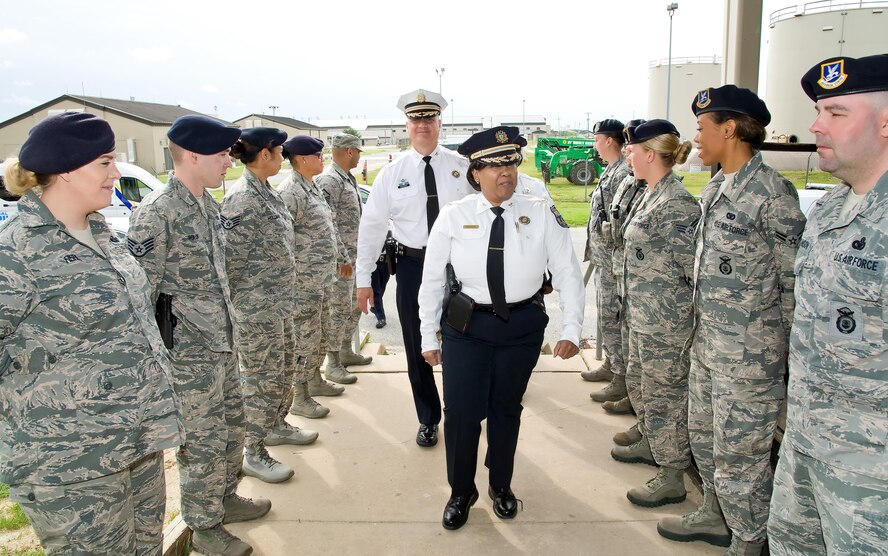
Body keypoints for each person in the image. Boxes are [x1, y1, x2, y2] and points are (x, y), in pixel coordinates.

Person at [0, 113, 182, 555]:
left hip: (136, 443)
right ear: (65, 169)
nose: (115, 173)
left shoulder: (101, 232)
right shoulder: (17, 252)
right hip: (72, 464)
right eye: (104, 163)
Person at [658, 86, 806, 555]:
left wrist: (784, 359)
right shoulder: (718, 186)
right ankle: (716, 515)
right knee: (704, 443)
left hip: (749, 362)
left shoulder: (772, 194)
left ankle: (748, 539)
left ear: (729, 128)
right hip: (707, 350)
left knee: (741, 461)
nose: (696, 137)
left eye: (702, 128)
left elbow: (793, 284)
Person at [418, 126, 584, 530]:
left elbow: (566, 270)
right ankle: (461, 490)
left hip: (521, 326)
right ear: (475, 173)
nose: (504, 172)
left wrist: (572, 328)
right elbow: (432, 279)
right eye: (493, 165)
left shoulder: (541, 211)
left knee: (505, 410)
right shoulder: (454, 217)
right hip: (468, 325)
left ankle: (501, 485)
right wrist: (426, 334)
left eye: (510, 161)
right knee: (460, 413)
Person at [767, 54, 888, 556]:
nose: (816, 125)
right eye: (820, 111)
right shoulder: (829, 211)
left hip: (870, 484)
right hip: (804, 450)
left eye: (836, 113)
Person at [127, 114, 264, 556]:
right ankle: (204, 528)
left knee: (231, 430)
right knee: (201, 443)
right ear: (191, 155)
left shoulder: (208, 205)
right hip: (186, 357)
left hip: (222, 345)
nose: (229, 162)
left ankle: (224, 499)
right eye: (222, 155)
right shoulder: (157, 214)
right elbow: (140, 296)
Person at [355, 89, 473, 448]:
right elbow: (373, 226)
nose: (423, 125)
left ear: (439, 123)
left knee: (460, 341)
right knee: (414, 345)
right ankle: (428, 417)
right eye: (416, 119)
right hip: (412, 267)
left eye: (429, 118)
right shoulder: (392, 173)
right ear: (407, 126)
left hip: (459, 270)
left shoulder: (462, 166)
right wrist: (364, 280)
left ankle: (459, 413)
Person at [220, 127, 318, 486]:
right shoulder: (242, 199)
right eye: (279, 152)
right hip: (257, 313)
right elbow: (229, 263)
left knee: (280, 374)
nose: (283, 158)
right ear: (265, 155)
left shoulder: (266, 193)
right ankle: (253, 450)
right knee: (260, 380)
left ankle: (276, 424)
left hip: (279, 307)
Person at [610, 119, 699, 509]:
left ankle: (673, 476)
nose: (628, 154)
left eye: (633, 150)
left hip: (667, 324)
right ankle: (652, 441)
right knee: (645, 388)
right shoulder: (650, 193)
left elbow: (693, 272)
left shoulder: (677, 203)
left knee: (666, 397)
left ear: (650, 153)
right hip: (644, 316)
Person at [277, 136, 349, 419]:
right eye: (318, 156)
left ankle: (315, 380)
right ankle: (299, 396)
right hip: (302, 284)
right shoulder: (290, 192)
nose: (322, 160)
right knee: (303, 340)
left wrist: (342, 257)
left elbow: (329, 228)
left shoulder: (312, 188)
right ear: (303, 159)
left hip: (322, 280)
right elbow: (283, 240)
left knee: (318, 335)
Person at [584, 119, 633, 413]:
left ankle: (620, 376)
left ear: (610, 141)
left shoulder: (622, 174)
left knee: (614, 317)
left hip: (614, 261)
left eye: (597, 139)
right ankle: (612, 364)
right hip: (604, 258)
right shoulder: (611, 171)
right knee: (606, 315)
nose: (594, 145)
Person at [316, 133, 371, 380]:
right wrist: (341, 258)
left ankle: (346, 349)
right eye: (358, 151)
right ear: (349, 151)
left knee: (353, 307)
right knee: (337, 310)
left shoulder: (346, 178)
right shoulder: (329, 181)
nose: (359, 156)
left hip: (354, 256)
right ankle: (333, 362)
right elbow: (328, 224)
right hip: (342, 262)